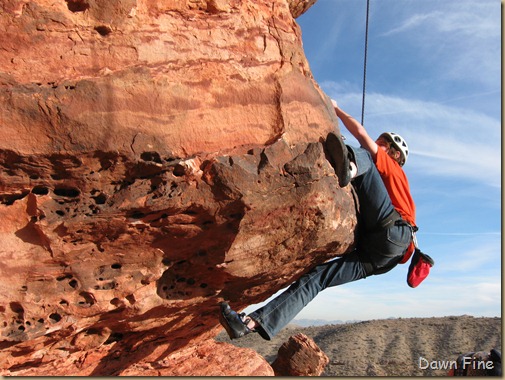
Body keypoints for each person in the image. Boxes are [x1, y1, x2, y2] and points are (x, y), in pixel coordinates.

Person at [219, 100, 417, 341]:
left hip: (393, 232)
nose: (378, 145)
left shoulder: (393, 168)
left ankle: (351, 168)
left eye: (383, 145)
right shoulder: (389, 188)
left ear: (395, 154)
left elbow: (361, 134)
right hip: (380, 258)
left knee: (364, 153)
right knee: (317, 278)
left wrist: (335, 109)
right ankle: (249, 324)